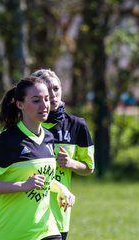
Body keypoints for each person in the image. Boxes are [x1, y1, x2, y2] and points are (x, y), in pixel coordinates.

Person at [0, 76, 75, 240]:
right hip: (8, 232)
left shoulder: (49, 138)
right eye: (36, 100)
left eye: (46, 99)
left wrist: (62, 189)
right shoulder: (6, 141)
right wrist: (22, 185)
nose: (44, 106)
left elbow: (44, 178)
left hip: (45, 229)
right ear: (20, 104)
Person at [31, 69, 95, 240]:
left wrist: (71, 163)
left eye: (56, 89)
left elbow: (89, 167)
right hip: (29, 207)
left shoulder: (77, 125)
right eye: (47, 90)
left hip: (59, 208)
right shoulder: (27, 125)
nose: (53, 95)